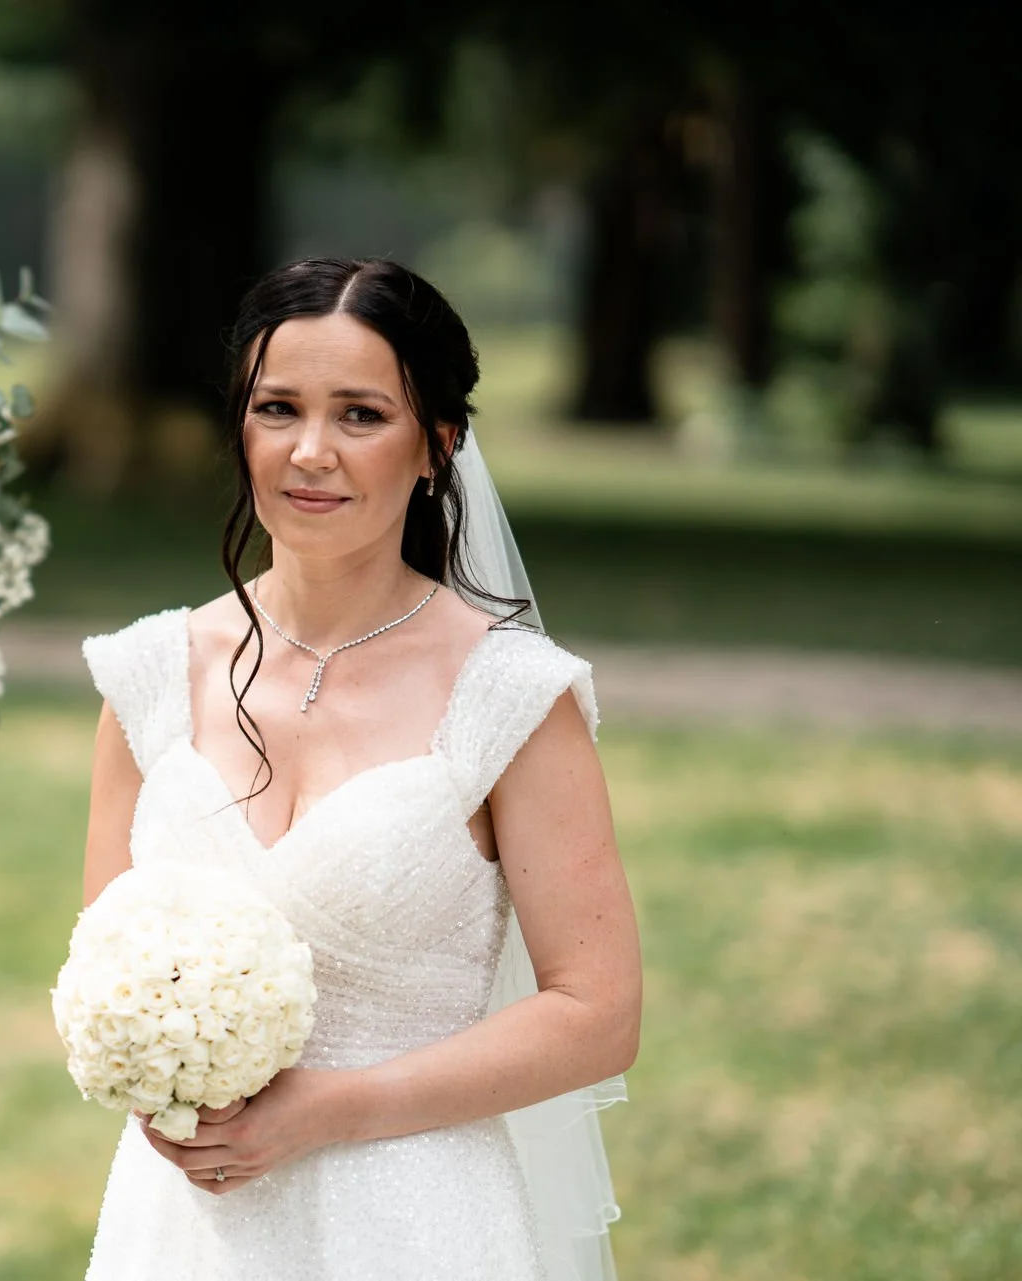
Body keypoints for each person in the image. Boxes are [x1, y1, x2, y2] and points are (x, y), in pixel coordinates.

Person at [77, 258, 641, 1280]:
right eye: (278, 409)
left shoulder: (511, 698)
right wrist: (155, 1089)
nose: (310, 453)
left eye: (361, 415)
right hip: (185, 1226)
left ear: (439, 448)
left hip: (416, 1217)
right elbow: (100, 963)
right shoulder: (148, 677)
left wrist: (337, 1109)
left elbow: (596, 1015)